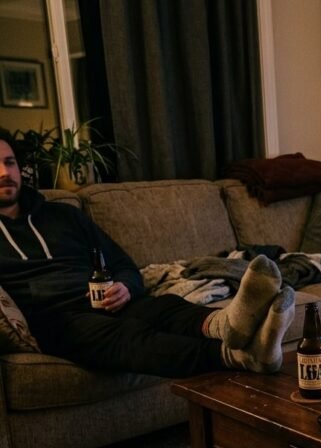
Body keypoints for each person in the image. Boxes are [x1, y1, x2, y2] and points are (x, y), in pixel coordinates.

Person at [0, 128, 295, 378]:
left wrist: (126, 287)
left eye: (10, 162)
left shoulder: (62, 215)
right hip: (58, 321)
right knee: (129, 337)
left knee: (163, 307)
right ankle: (236, 355)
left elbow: (122, 264)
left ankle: (231, 324)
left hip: (106, 301)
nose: (5, 172)